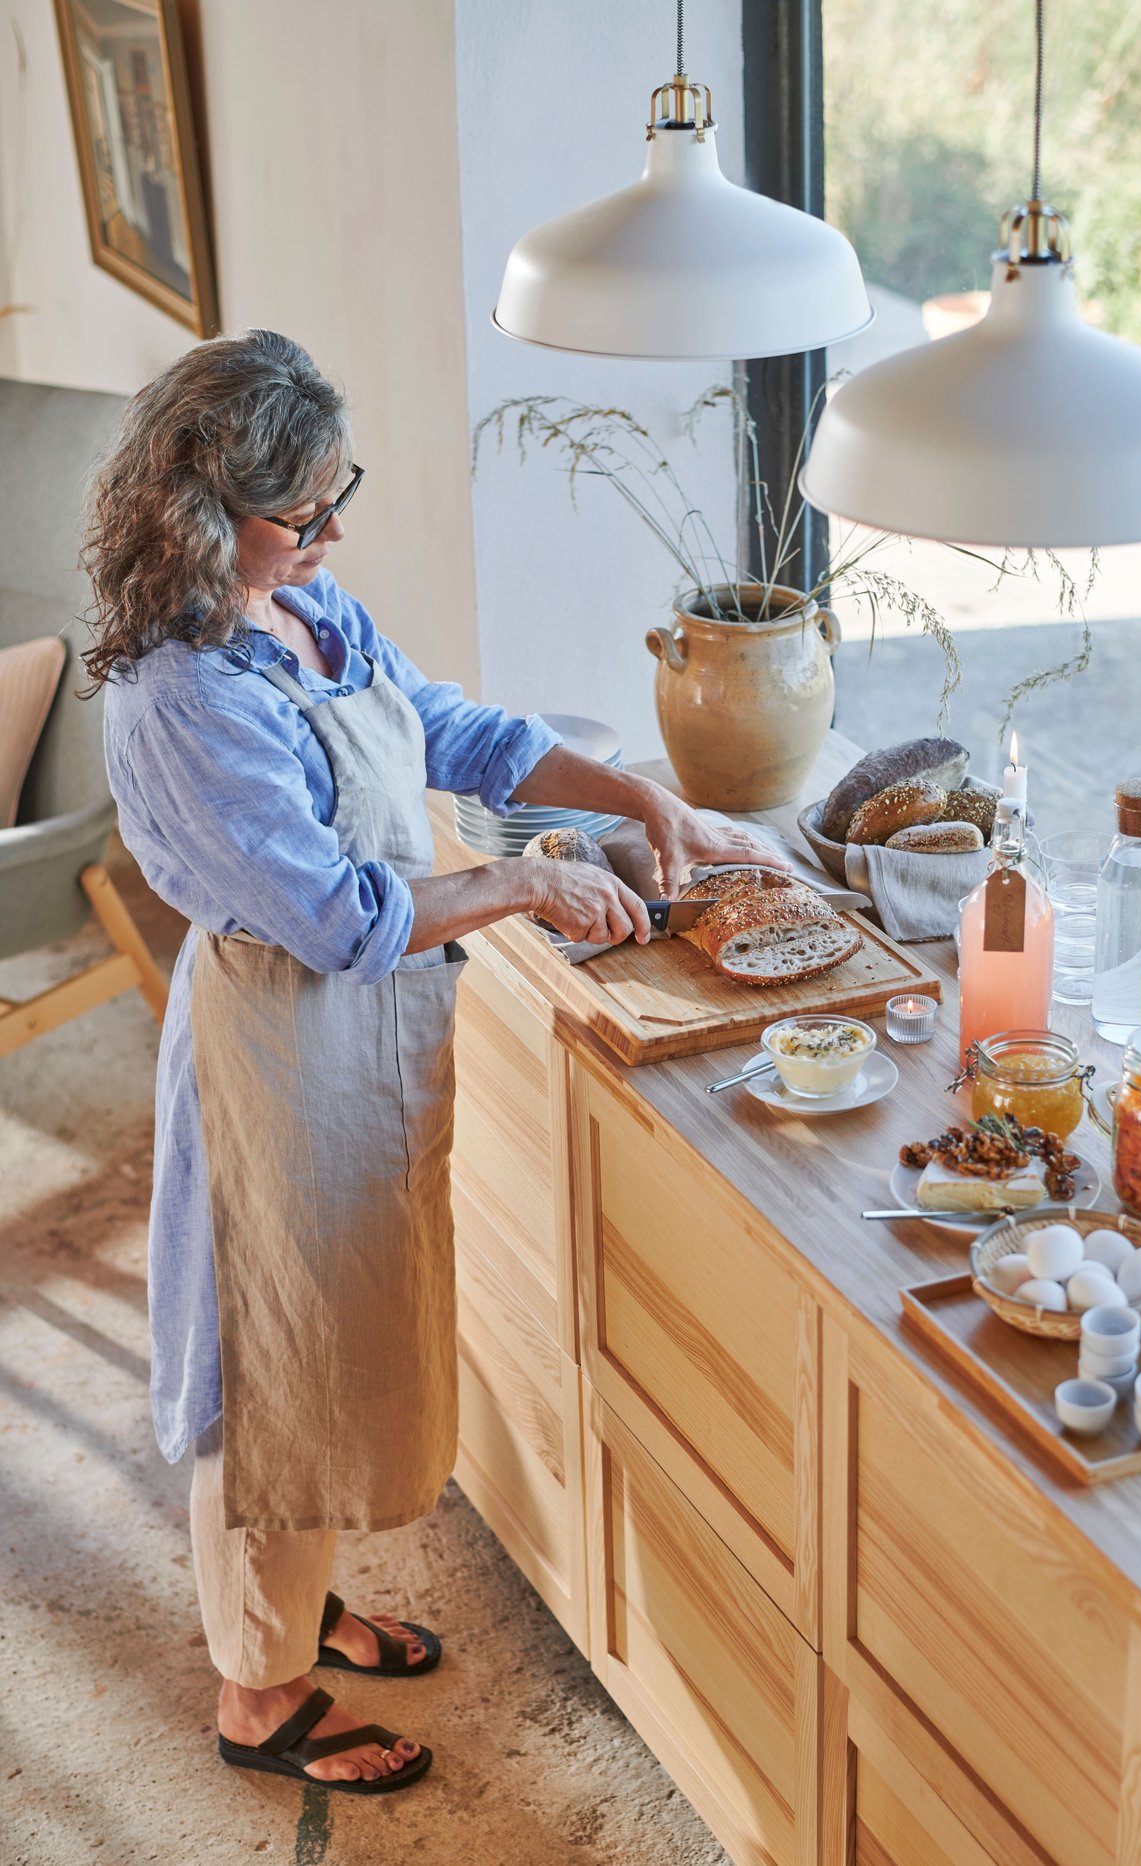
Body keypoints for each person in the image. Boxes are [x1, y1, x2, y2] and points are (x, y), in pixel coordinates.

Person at [85, 329, 778, 1794]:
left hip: (362, 1031)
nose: (335, 534)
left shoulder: (299, 606)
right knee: (269, 1367)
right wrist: (525, 886)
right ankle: (256, 1693)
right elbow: (342, 916)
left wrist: (647, 797)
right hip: (281, 1041)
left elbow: (451, 728)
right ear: (207, 515)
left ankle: (295, 1606)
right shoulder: (183, 698)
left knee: (333, 1340)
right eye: (305, 512)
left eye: (340, 499)